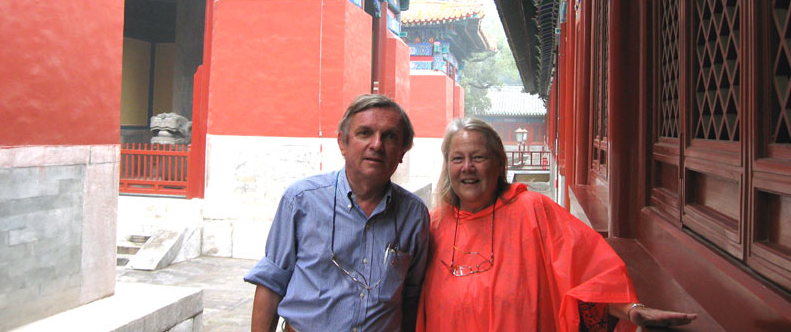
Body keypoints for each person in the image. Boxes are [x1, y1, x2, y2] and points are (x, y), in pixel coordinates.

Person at [416, 117, 698, 332]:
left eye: (478, 157)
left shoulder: (533, 210)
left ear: (500, 164)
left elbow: (589, 267)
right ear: (448, 166)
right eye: (457, 159)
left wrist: (630, 309)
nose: (467, 167)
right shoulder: (433, 225)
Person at [246, 94, 429, 332]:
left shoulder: (414, 214)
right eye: (364, 133)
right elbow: (271, 282)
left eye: (390, 136)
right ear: (343, 143)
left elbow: (412, 296)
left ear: (403, 150)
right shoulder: (302, 200)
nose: (377, 145)